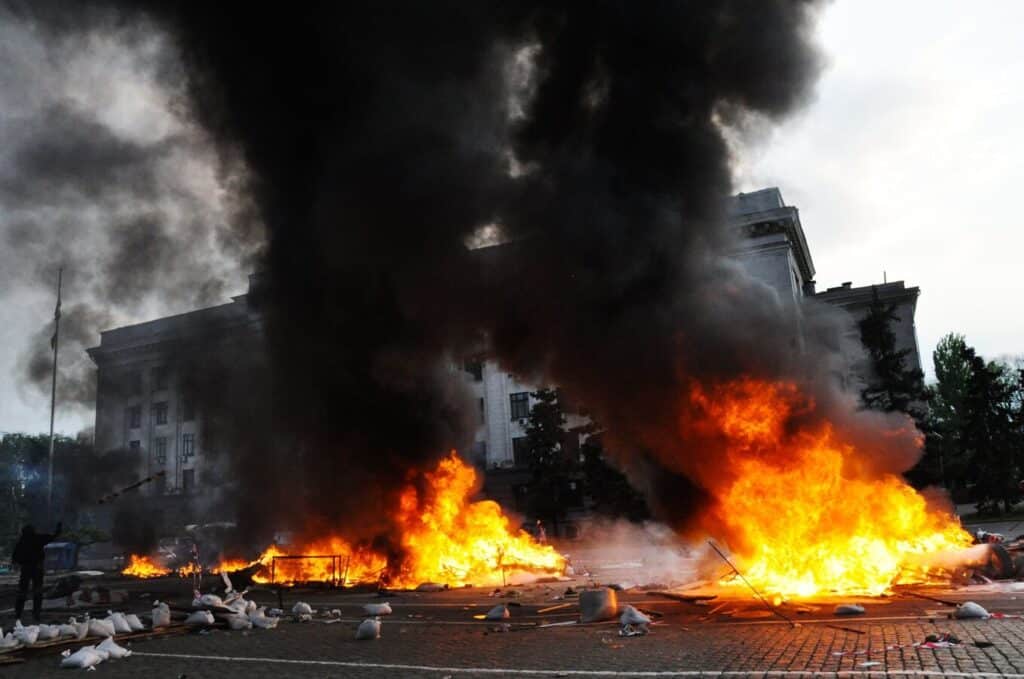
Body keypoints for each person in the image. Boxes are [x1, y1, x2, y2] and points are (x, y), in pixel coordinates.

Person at [12, 522, 61, 622]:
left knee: (22, 591)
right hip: (37, 569)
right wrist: (58, 529)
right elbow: (53, 536)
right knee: (37, 591)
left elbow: (15, 558)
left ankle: (18, 614)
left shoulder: (22, 542)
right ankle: (36, 614)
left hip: (26, 569)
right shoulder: (37, 538)